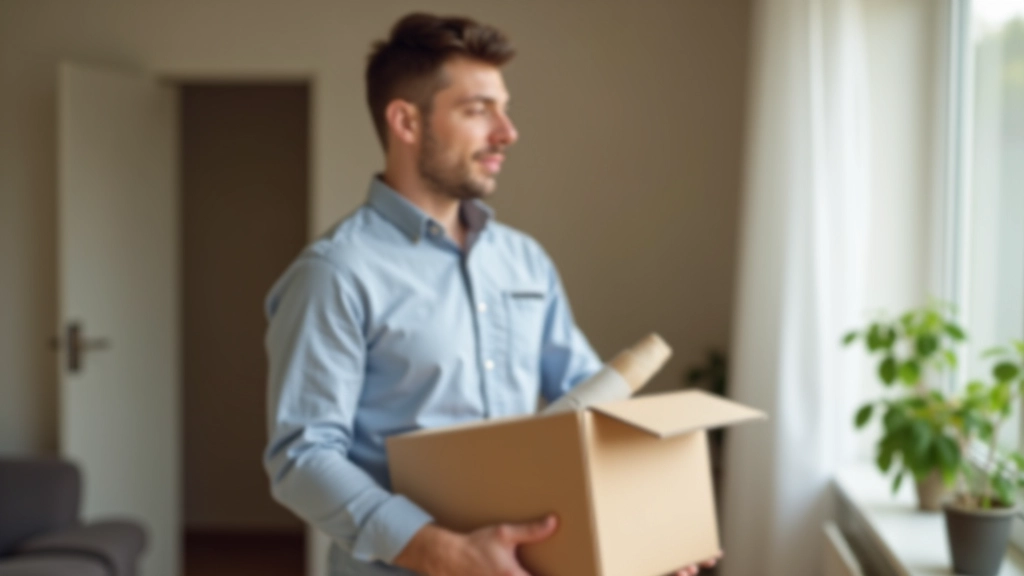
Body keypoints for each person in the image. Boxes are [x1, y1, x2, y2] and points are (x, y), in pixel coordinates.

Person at [263, 12, 720, 576]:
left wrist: (649, 526)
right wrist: (444, 552)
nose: (507, 131)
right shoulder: (335, 273)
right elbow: (303, 460)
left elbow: (588, 407)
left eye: (503, 108)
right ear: (406, 122)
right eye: (478, 110)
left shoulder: (523, 259)